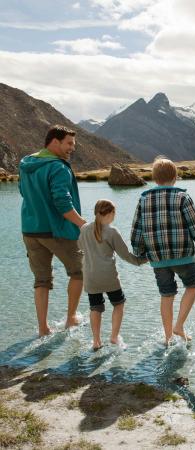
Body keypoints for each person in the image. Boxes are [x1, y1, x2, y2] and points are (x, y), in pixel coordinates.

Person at [19, 125, 86, 337]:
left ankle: (43, 328)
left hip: (30, 230)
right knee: (79, 272)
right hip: (57, 231)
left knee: (41, 280)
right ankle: (71, 318)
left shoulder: (26, 164)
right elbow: (62, 202)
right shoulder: (58, 167)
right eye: (69, 143)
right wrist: (82, 224)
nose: (72, 148)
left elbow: (23, 191)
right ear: (55, 142)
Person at [131, 157, 195, 345]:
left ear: (154, 178)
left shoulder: (143, 200)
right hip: (183, 256)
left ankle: (168, 337)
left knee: (166, 295)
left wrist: (139, 251)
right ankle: (179, 326)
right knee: (192, 286)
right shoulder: (183, 197)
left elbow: (137, 231)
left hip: (158, 259)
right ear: (175, 177)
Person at [78, 199, 147, 350]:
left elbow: (80, 247)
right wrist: (142, 260)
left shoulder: (84, 228)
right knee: (119, 304)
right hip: (108, 276)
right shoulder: (112, 231)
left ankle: (96, 342)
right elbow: (125, 255)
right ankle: (114, 337)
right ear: (110, 213)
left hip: (90, 276)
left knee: (95, 307)